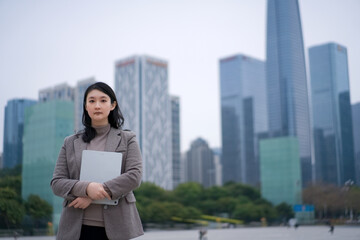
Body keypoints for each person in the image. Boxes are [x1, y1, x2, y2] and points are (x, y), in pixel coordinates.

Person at [51, 82, 143, 240]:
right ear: (86, 106)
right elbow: (57, 183)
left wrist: (94, 194)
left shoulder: (128, 139)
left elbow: (134, 176)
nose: (97, 105)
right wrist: (87, 188)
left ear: (113, 105)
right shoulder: (70, 142)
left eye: (103, 100)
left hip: (118, 228)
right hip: (76, 229)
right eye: (92, 101)